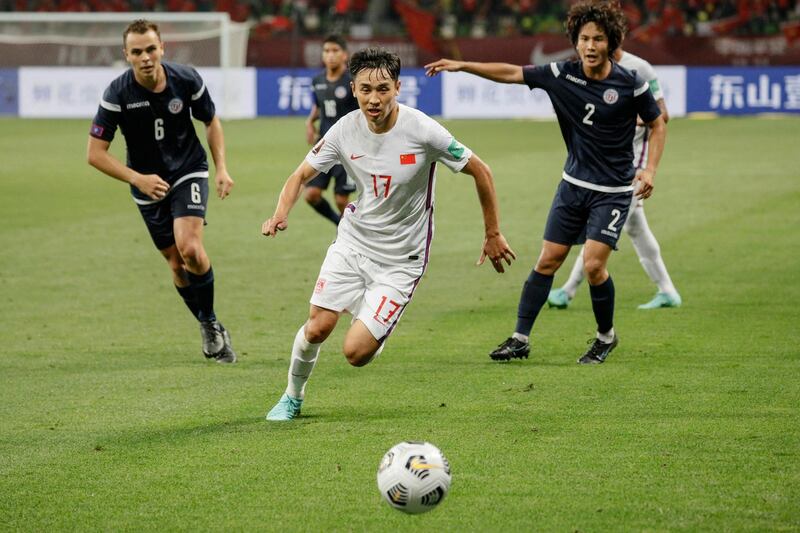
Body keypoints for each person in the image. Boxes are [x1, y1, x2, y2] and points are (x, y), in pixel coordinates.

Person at [261, 47, 515, 420]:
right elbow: (300, 175)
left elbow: (482, 170)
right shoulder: (345, 129)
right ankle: (292, 397)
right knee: (317, 328)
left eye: (382, 89)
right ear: (354, 89)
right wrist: (280, 213)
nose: (373, 99)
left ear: (398, 87)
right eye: (365, 89)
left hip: (401, 259)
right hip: (354, 242)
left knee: (356, 354)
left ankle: (377, 324)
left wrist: (492, 232)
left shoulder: (423, 130)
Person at [425, 0, 666, 364]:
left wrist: (649, 171)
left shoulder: (629, 82)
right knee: (548, 260)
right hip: (573, 186)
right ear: (575, 40)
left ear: (610, 41)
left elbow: (658, 122)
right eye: (583, 38)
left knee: (594, 266)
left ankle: (605, 337)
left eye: (597, 39)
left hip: (614, 192)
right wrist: (463, 65)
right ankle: (520, 338)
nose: (589, 46)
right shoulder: (562, 74)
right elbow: (510, 73)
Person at [87, 19, 236, 363]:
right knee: (175, 264)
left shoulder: (186, 79)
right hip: (146, 184)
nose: (145, 57)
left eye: (151, 49)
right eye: (137, 52)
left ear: (162, 48)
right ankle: (207, 323)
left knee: (191, 249)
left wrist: (222, 168)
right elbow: (95, 154)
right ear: (126, 55)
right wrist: (137, 179)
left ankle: (210, 323)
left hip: (188, 170)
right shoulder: (117, 94)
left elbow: (211, 121)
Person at [547, 44, 681, 310]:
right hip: (605, 164)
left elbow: (662, 115)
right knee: (636, 229)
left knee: (599, 230)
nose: (591, 45)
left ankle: (567, 290)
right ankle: (668, 292)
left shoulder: (639, 68)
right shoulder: (591, 70)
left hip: (630, 165)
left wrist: (624, 117)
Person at [303, 35, 360, 226]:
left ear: (345, 55)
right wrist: (310, 122)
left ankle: (355, 234)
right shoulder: (317, 80)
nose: (330, 55)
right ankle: (340, 225)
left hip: (349, 148)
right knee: (311, 195)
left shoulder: (353, 81)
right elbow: (319, 107)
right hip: (325, 144)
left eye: (335, 51)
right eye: (327, 51)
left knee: (342, 200)